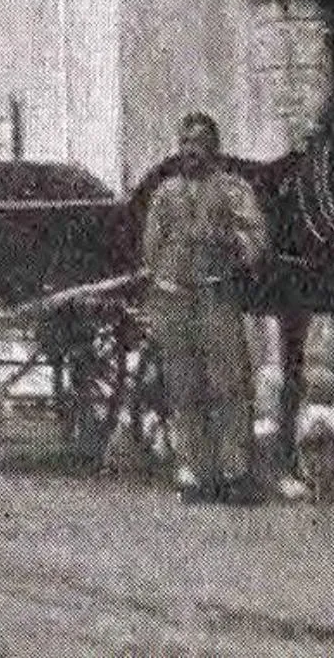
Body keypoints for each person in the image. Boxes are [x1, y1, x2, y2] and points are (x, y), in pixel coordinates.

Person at [141, 110, 269, 503]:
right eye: (185, 144)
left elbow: (255, 238)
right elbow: (151, 246)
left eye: (198, 143)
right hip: (175, 300)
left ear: (214, 148)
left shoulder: (233, 191)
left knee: (229, 385)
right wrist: (162, 280)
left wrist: (232, 244)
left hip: (216, 299)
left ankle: (233, 473)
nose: (190, 151)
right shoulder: (166, 194)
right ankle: (193, 474)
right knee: (183, 388)